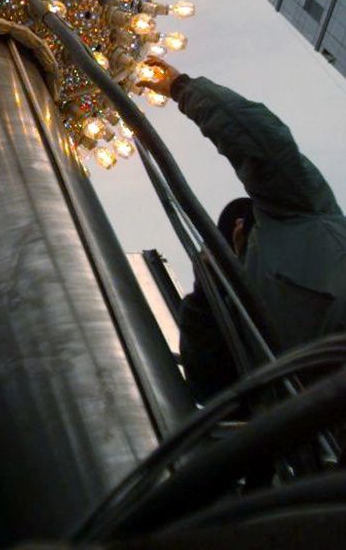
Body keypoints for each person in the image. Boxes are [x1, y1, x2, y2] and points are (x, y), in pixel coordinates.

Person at [137, 57, 346, 403]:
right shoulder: (230, 313)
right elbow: (209, 388)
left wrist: (183, 89)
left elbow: (259, 141)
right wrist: (210, 286)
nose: (237, 225)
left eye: (244, 219)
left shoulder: (298, 211)